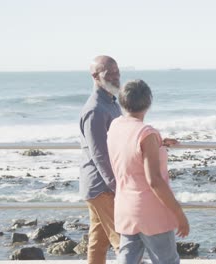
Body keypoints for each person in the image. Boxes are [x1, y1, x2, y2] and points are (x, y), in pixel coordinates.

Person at [107, 79, 189, 264]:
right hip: (151, 212)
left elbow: (130, 151)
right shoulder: (146, 134)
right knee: (166, 260)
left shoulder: (115, 126)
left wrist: (158, 144)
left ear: (122, 101)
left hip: (126, 207)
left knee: (128, 258)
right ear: (149, 101)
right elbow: (154, 181)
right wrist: (179, 214)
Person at [79, 55, 121, 264]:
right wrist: (117, 186)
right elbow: (99, 154)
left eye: (117, 72)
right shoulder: (95, 110)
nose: (115, 77)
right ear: (95, 76)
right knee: (124, 241)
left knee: (98, 242)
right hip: (102, 187)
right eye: (109, 73)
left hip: (100, 186)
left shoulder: (112, 102)